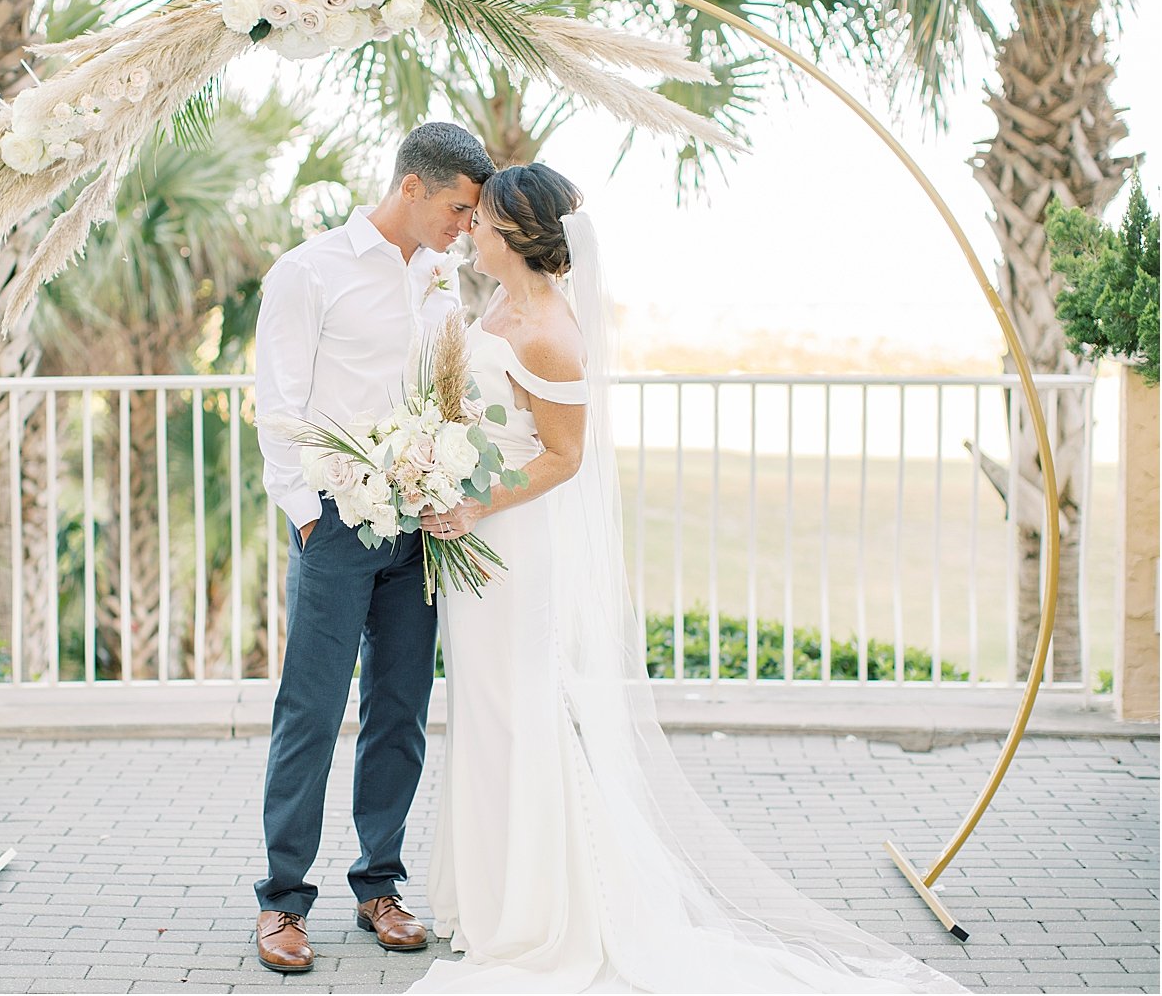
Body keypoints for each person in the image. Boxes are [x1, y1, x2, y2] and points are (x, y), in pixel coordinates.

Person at [410, 163, 964, 993]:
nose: (471, 232)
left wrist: (474, 504)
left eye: (484, 222)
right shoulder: (494, 305)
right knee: (483, 714)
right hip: (476, 546)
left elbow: (565, 457)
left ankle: (535, 913)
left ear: (519, 239)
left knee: (523, 714)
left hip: (514, 545)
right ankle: (490, 899)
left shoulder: (552, 332)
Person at [251, 121, 495, 974]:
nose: (466, 229)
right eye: (459, 210)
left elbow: (443, 390)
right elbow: (276, 403)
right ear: (412, 188)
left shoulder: (440, 283)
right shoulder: (308, 272)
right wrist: (307, 513)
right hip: (336, 523)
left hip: (416, 526)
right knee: (311, 710)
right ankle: (282, 901)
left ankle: (378, 886)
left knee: (399, 711)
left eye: (474, 219)